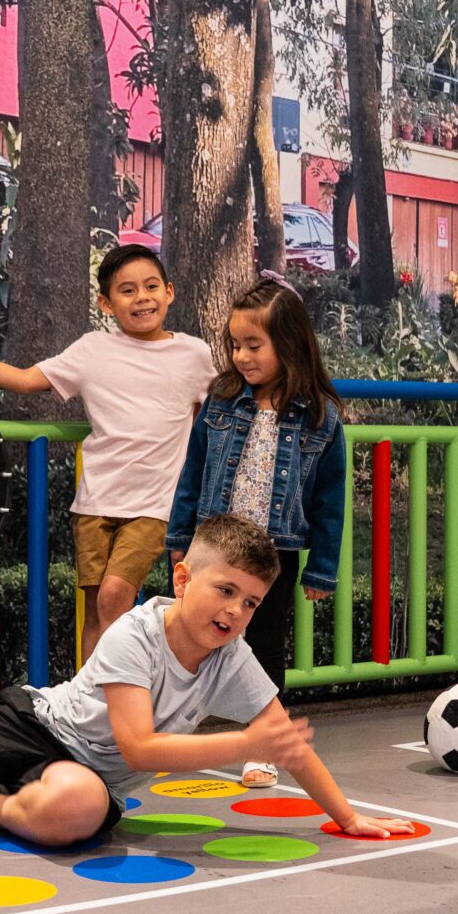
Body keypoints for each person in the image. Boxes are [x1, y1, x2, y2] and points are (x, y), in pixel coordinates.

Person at [0, 515, 414, 846]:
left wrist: (348, 816)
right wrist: (244, 744)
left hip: (91, 779)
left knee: (76, 810)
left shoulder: (231, 656)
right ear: (182, 577)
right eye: (225, 591)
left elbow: (289, 746)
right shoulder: (133, 633)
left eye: (250, 602)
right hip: (37, 725)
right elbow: (140, 747)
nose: (235, 611)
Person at [0, 245, 215, 662]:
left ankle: (123, 698)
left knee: (115, 595)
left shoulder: (194, 354)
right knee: (95, 611)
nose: (142, 297)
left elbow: (210, 418)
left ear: (170, 292)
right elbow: (26, 380)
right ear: (105, 303)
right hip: (95, 502)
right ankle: (92, 704)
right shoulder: (92, 349)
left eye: (151, 286)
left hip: (156, 505)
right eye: (127, 290)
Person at [164, 277, 346, 788]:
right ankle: (167, 728)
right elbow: (193, 471)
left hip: (275, 555)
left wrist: (324, 569)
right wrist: (181, 536)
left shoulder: (320, 418)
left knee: (265, 644)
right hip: (214, 548)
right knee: (186, 636)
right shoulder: (223, 401)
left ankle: (263, 741)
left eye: (253, 345)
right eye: (236, 345)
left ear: (288, 343)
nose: (242, 356)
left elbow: (332, 501)